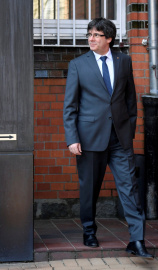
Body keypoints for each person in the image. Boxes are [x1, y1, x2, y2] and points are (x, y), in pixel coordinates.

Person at [63, 17, 153, 259]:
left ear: (109, 38)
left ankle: (137, 239)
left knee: (130, 189)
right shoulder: (78, 65)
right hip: (89, 137)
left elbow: (130, 101)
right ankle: (89, 230)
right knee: (89, 188)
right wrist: (72, 139)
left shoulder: (124, 61)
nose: (91, 39)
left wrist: (129, 131)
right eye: (89, 34)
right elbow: (70, 106)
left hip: (120, 139)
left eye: (96, 35)